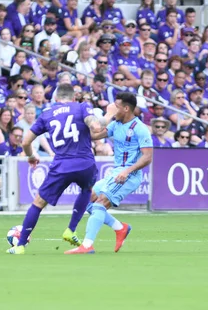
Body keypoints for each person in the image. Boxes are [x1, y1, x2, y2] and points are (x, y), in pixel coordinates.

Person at [6, 84, 101, 255]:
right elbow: (92, 124)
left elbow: (26, 142)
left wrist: (31, 156)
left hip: (62, 165)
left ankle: (20, 246)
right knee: (87, 189)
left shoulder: (46, 114)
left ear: (56, 99)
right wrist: (94, 125)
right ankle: (71, 229)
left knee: (38, 203)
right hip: (85, 162)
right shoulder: (82, 106)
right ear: (73, 98)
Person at [65, 92, 153, 255]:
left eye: (116, 107)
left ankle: (87, 245)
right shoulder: (116, 124)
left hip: (129, 175)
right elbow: (94, 135)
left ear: (126, 108)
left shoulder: (140, 129)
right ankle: (120, 228)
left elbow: (148, 157)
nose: (113, 109)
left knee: (100, 203)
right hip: (116, 173)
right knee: (89, 200)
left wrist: (127, 171)